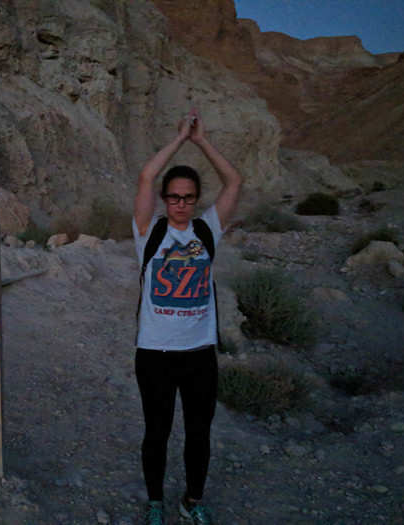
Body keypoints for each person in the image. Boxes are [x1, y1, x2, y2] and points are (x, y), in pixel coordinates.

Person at [133, 109, 242, 525]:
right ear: (165, 199)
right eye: (174, 197)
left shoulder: (208, 230)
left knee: (199, 432)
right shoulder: (149, 232)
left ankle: (192, 500)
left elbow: (234, 182)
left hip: (199, 353)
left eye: (189, 197)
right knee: (156, 432)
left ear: (197, 201)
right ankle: (156, 502)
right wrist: (179, 140)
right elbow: (146, 177)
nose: (180, 204)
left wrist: (202, 142)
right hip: (154, 353)